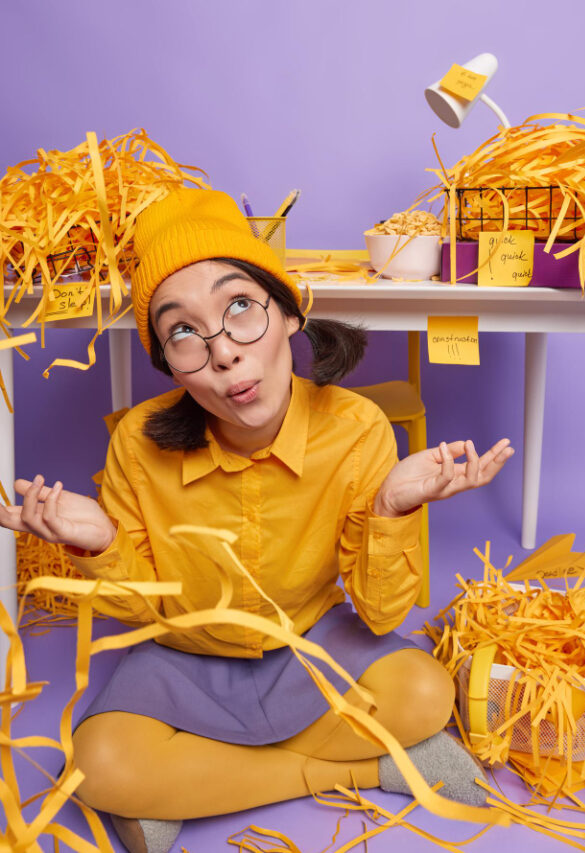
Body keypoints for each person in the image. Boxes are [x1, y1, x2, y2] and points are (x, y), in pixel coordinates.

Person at [0, 189, 514, 853]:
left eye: (240, 306)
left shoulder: (356, 429)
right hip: (181, 658)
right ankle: (366, 769)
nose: (223, 353)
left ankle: (197, 782)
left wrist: (392, 508)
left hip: (312, 645)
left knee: (423, 690)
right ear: (167, 362)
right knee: (97, 763)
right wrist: (94, 544)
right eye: (183, 330)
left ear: (289, 312)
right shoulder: (136, 441)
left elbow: (383, 617)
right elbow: (140, 612)